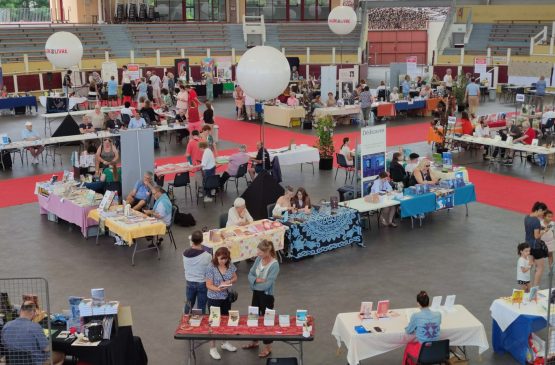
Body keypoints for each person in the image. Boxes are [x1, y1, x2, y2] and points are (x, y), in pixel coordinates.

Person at [243, 240, 280, 358]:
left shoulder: (274, 265)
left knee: (267, 321)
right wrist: (256, 281)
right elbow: (250, 274)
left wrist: (254, 282)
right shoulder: (259, 259)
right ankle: (255, 341)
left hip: (267, 296)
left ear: (267, 251)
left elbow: (267, 284)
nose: (257, 253)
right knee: (253, 317)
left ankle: (268, 347)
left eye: (260, 251)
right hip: (256, 293)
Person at [1, 300, 65, 365]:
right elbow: (46, 348)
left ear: (20, 311)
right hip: (35, 362)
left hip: (14, 361)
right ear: (32, 312)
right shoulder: (35, 327)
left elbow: (4, 345)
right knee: (61, 355)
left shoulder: (6, 326)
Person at [205, 247, 238, 360]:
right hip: (214, 298)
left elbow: (235, 277)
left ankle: (225, 342)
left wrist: (229, 282)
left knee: (225, 320)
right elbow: (208, 285)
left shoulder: (230, 264)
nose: (223, 261)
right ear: (216, 257)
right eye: (221, 259)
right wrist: (218, 289)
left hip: (225, 298)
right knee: (214, 321)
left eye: (225, 259)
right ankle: (212, 348)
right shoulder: (211, 267)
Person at [403, 291, 442, 365]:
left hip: (422, 350)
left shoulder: (416, 316)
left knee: (409, 346)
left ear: (418, 303)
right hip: (436, 349)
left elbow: (408, 331)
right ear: (429, 303)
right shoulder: (438, 314)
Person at [183, 230, 212, 314]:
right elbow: (210, 268)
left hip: (189, 282)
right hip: (202, 283)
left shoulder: (184, 253)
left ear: (191, 240)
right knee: (201, 305)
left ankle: (185, 320)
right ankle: (200, 323)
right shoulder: (207, 256)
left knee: (188, 303)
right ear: (202, 241)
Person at [525, 201, 549, 287]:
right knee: (540, 268)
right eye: (543, 212)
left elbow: (530, 231)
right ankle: (535, 288)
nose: (543, 214)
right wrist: (543, 231)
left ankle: (526, 284)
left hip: (528, 246)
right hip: (536, 247)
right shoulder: (536, 221)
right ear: (539, 210)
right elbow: (536, 236)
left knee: (530, 265)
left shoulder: (527, 217)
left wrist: (539, 228)